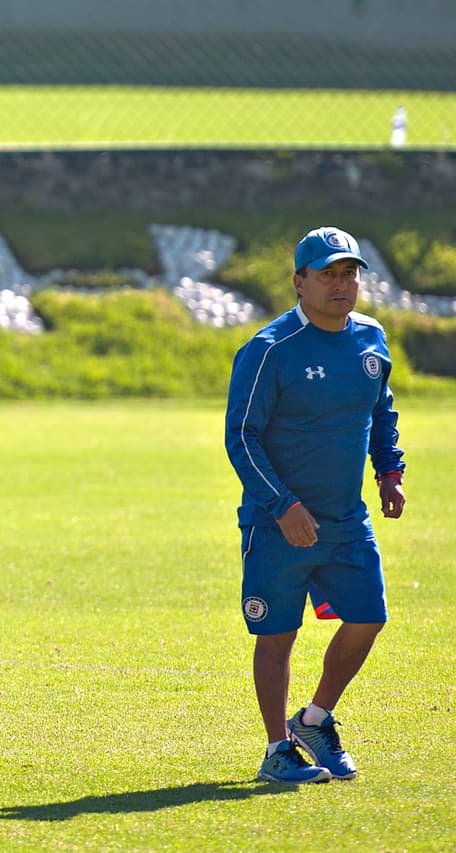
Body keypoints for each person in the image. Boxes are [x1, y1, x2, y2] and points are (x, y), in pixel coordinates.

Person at [225, 226, 405, 784]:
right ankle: (278, 749)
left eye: (349, 273)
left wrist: (389, 470)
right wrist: (282, 506)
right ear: (299, 281)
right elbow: (241, 437)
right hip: (278, 524)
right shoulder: (268, 349)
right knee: (278, 636)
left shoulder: (371, 340)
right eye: (327, 273)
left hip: (346, 520)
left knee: (368, 618)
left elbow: (381, 412)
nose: (341, 284)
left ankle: (315, 720)